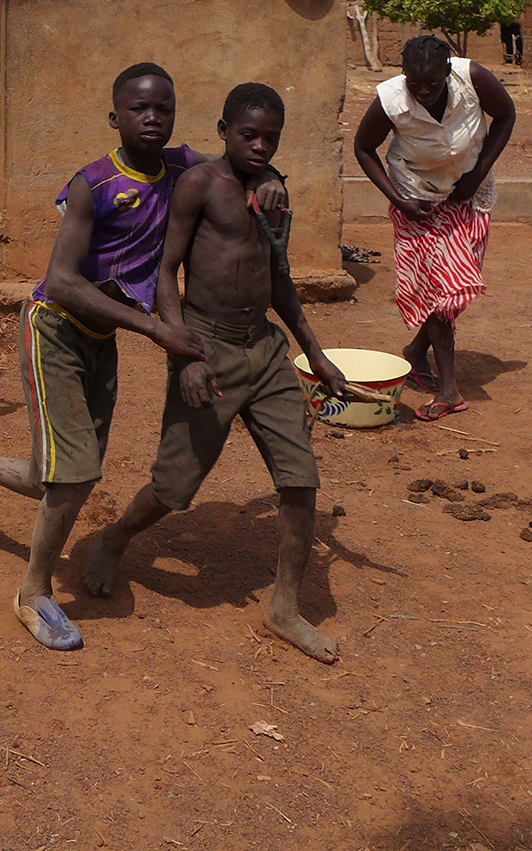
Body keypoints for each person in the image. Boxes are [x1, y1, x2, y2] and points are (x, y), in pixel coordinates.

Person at [0, 63, 286, 652]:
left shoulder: (182, 165)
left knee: (72, 471)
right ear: (115, 117)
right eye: (140, 108)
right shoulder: (92, 186)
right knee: (73, 477)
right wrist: (152, 327)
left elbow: (239, 159)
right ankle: (34, 593)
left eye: (164, 109)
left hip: (103, 339)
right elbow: (63, 281)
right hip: (56, 330)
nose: (153, 118)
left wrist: (269, 175)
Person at [81, 83, 350, 664]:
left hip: (266, 351)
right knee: (174, 488)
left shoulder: (275, 192)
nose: (258, 146)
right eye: (247, 134)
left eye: (269, 138)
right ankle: (116, 536)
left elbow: (279, 276)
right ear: (223, 129)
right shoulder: (199, 185)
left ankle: (283, 607)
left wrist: (316, 354)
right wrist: (186, 357)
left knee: (300, 479)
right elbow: (165, 271)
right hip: (210, 349)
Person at [352, 35, 516, 422]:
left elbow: (506, 116)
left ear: (448, 70)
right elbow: (363, 147)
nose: (423, 91)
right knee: (441, 288)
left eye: (432, 82)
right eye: (415, 82)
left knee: (454, 288)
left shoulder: (473, 77)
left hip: (468, 196)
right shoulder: (391, 99)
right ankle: (450, 390)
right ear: (404, 74)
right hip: (416, 200)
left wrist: (477, 175)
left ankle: (415, 351)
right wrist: (399, 200)